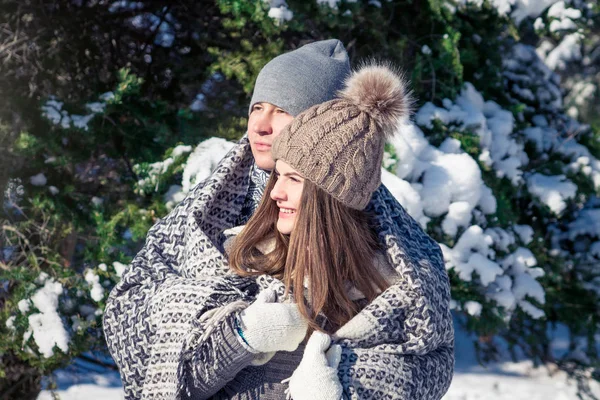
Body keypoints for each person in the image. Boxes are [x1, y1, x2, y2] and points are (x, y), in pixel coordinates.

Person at [104, 40, 453, 400]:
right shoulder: (203, 218)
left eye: (282, 111)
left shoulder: (393, 246)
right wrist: (239, 335)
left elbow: (426, 356)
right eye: (257, 107)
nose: (260, 125)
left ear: (324, 124)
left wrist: (342, 380)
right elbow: (131, 307)